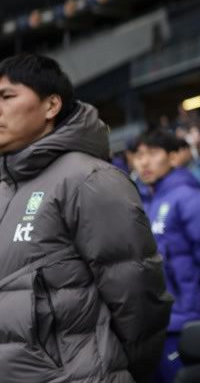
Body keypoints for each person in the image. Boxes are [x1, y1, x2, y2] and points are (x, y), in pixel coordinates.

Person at [0, 53, 172, 383]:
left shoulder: (89, 179)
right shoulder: (5, 188)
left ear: (51, 106)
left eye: (7, 96)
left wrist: (120, 369)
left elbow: (137, 294)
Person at [134, 130, 200, 383]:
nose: (144, 162)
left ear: (173, 157)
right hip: (161, 324)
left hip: (194, 322)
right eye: (138, 156)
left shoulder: (191, 199)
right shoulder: (146, 202)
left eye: (152, 153)